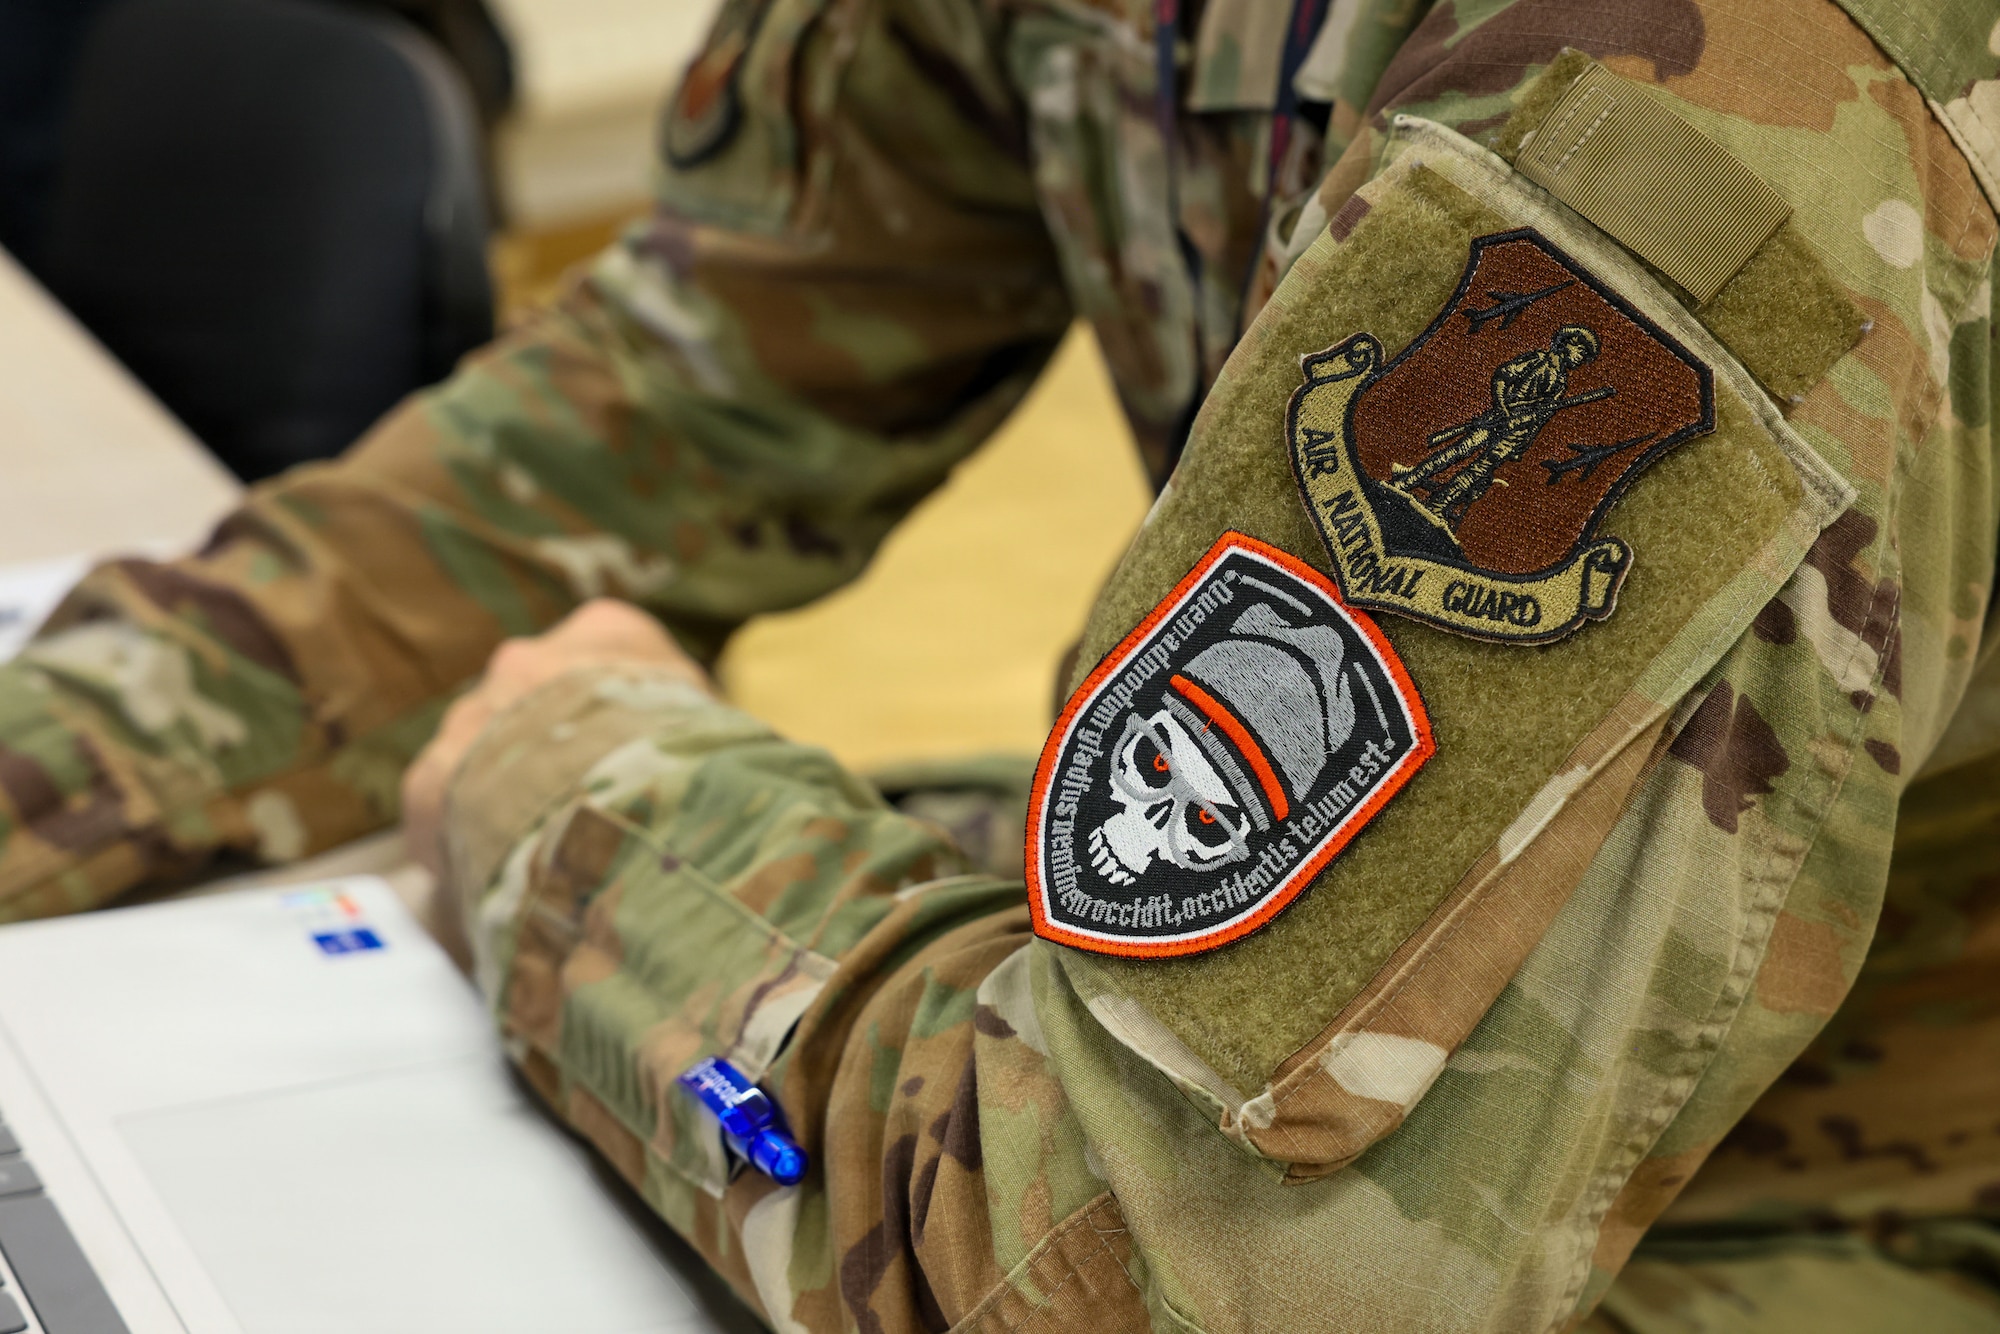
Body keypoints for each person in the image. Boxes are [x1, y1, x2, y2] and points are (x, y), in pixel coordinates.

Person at [1, 0, 1996, 1329]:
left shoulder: (1713, 110)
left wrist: (570, 798)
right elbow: (686, 393)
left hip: (1808, 1197)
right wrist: (45, 761)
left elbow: (1147, 1269)